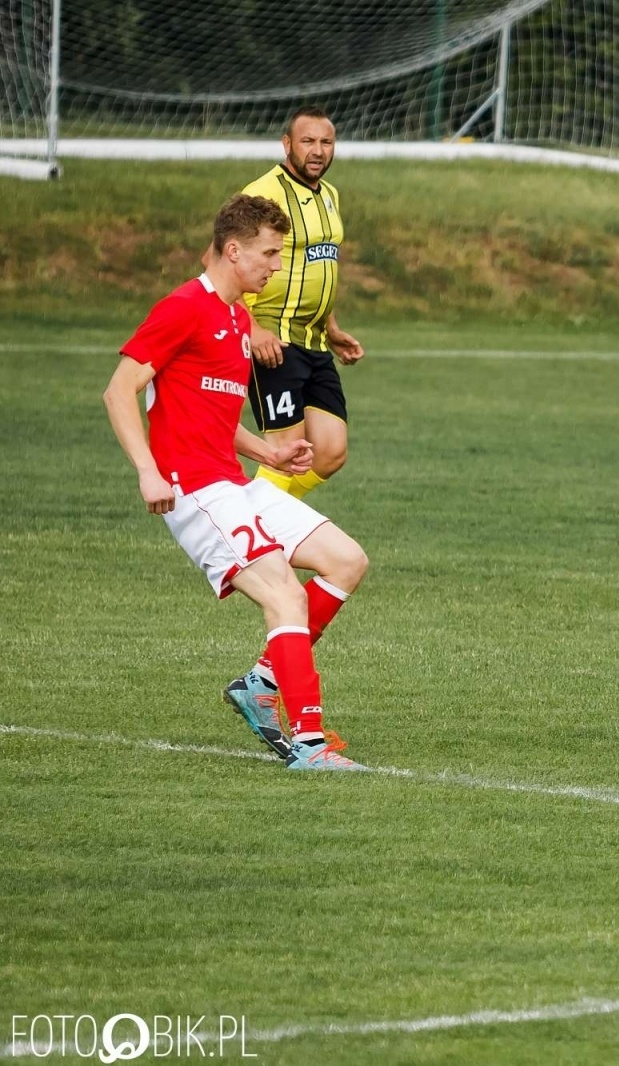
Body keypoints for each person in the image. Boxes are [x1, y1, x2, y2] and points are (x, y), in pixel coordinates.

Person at [105, 193, 369, 771]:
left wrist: (269, 449)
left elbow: (215, 417)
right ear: (233, 251)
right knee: (285, 595)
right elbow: (119, 390)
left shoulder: (236, 317)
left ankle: (261, 683)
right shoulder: (182, 308)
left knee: (346, 560)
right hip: (193, 490)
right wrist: (148, 472)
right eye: (269, 254)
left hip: (233, 480)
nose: (276, 265)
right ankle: (307, 741)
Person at [234, 105, 363, 500]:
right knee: (285, 455)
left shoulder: (330, 196)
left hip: (314, 341)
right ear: (287, 144)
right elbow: (218, 261)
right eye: (307, 141)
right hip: (274, 340)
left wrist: (332, 326)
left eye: (326, 142)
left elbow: (318, 266)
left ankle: (257, 520)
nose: (318, 150)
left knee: (329, 451)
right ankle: (253, 540)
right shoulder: (263, 194)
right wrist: (252, 329)